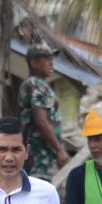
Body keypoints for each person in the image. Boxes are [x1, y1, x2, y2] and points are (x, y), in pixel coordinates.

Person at [18, 43, 68, 180]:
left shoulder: (35, 84)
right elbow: (40, 121)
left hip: (38, 153)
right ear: (34, 62)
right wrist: (59, 150)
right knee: (39, 191)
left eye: (52, 59)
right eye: (47, 59)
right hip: (40, 155)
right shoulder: (36, 84)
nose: (51, 63)